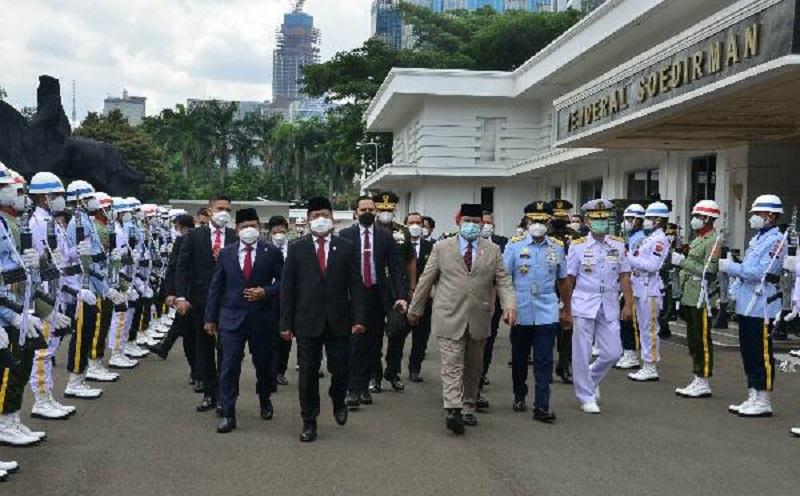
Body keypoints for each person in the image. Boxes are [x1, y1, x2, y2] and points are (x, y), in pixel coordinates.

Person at [408, 203, 516, 434]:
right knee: (451, 363)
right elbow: (426, 280)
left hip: (479, 315)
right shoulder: (442, 248)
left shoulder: (493, 250)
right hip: (449, 314)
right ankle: (453, 408)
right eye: (468, 220)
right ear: (458, 221)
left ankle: (468, 405)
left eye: (477, 222)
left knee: (473, 366)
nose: (472, 225)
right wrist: (415, 308)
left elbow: (503, 281)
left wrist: (509, 306)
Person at [279, 196, 365, 443]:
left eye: (324, 215)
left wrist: (359, 317)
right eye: (315, 215)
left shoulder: (346, 246)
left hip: (339, 320)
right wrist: (285, 323)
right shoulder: (297, 248)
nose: (320, 220)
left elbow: (356, 285)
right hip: (307, 321)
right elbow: (287, 288)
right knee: (307, 373)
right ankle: (309, 420)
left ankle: (338, 399)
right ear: (307, 219)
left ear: (333, 218)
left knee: (340, 369)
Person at [204, 208, 283, 433]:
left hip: (262, 318)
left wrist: (265, 292)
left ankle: (264, 398)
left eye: (253, 226)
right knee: (229, 366)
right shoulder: (227, 253)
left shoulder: (271, 252)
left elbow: (284, 282)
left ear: (260, 227)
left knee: (264, 365)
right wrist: (210, 317)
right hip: (231, 318)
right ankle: (228, 412)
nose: (249, 230)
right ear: (236, 229)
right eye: (244, 226)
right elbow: (216, 287)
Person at [564, 199, 634, 414]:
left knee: (613, 352)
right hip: (584, 302)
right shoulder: (577, 247)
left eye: (604, 219)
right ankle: (585, 396)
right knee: (582, 352)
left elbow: (624, 276)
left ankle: (590, 378)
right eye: (596, 219)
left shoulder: (618, 244)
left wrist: (629, 303)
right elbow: (569, 279)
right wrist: (565, 308)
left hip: (609, 303)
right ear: (587, 220)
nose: (601, 223)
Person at [721, 194, 787, 417]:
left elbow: (760, 272)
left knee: (761, 353)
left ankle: (764, 398)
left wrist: (730, 267)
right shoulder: (757, 239)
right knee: (749, 351)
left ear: (770, 215)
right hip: (747, 302)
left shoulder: (777, 240)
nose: (754, 218)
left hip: (762, 305)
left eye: (758, 214)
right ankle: (753, 393)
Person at [339, 195, 406, 407]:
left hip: (377, 295)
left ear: (375, 211)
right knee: (354, 342)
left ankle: (367, 384)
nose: (367, 213)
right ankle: (352, 389)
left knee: (373, 343)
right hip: (352, 295)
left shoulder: (385, 237)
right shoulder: (345, 235)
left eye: (370, 209)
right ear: (356, 213)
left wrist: (401, 296)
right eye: (363, 210)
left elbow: (396, 268)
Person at [504, 201, 568, 423]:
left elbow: (562, 279)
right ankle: (519, 393)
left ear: (549, 222)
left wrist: (566, 309)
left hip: (547, 308)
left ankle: (542, 405)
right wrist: (507, 306)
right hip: (520, 308)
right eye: (534, 220)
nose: (538, 225)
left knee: (544, 360)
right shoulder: (514, 245)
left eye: (542, 221)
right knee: (520, 358)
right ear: (527, 221)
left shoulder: (557, 247)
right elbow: (504, 279)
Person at [175, 194, 237, 413]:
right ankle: (210, 393)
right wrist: (180, 296)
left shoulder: (234, 236)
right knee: (205, 349)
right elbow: (182, 267)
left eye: (228, 209)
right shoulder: (194, 236)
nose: (224, 213)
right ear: (209, 210)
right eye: (220, 208)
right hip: (200, 301)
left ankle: (225, 396)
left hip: (228, 302)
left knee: (227, 350)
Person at [27, 172, 78, 419]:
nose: (59, 199)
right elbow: (38, 259)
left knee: (51, 345)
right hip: (45, 291)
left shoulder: (51, 222)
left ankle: (47, 394)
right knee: (43, 350)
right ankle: (41, 398)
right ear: (44, 196)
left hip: (56, 288)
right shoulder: (37, 223)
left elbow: (61, 255)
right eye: (56, 195)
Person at [672, 200, 721, 398]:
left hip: (702, 296)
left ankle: (703, 379)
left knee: (701, 339)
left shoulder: (713, 241)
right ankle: (697, 377)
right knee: (693, 338)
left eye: (698, 217)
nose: (694, 220)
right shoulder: (699, 238)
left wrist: (682, 262)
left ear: (708, 219)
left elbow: (709, 271)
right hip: (690, 294)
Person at [372, 191, 415, 393]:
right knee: (373, 334)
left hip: (397, 290)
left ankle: (393, 370)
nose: (385, 213)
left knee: (398, 330)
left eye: (389, 210)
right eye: (382, 209)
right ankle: (375, 375)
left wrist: (412, 287)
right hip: (374, 289)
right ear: (375, 209)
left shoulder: (402, 232)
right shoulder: (368, 230)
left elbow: (410, 261)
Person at [627, 202, 671, 382]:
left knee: (650, 328)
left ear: (658, 220)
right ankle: (647, 363)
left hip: (649, 286)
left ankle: (651, 365)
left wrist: (628, 257)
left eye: (648, 218)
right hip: (639, 284)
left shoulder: (659, 239)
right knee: (644, 327)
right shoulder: (650, 237)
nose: (645, 222)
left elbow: (653, 266)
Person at [143, 214, 195, 366]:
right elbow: (174, 267)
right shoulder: (182, 239)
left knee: (183, 323)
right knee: (181, 321)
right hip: (184, 290)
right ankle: (164, 347)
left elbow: (174, 266)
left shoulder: (185, 239)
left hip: (190, 289)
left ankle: (164, 347)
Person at [548, 199, 581, 384]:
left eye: (563, 215)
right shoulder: (544, 234)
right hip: (548, 286)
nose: (560, 218)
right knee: (548, 327)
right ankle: (545, 365)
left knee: (567, 328)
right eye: (556, 215)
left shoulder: (575, 236)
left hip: (569, 286)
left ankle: (564, 364)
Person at [479, 210, 507, 398]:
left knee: (488, 341)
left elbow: (505, 275)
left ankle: (481, 376)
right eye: (482, 222)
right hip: (471, 301)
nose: (485, 225)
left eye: (489, 222)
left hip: (493, 301)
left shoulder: (503, 243)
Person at [615, 204, 646, 370]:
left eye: (628, 219)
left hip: (636, 282)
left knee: (630, 320)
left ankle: (632, 353)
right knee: (624, 318)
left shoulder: (640, 238)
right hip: (628, 280)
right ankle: (627, 351)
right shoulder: (630, 236)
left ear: (637, 220)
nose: (625, 222)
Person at [406, 212, 434, 382]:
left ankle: (414, 368)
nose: (415, 226)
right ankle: (392, 371)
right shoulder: (397, 244)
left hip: (425, 297)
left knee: (421, 336)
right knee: (397, 336)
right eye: (411, 222)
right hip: (403, 296)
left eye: (419, 223)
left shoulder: (431, 247)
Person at [267, 215, 291, 387]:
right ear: (270, 233)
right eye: (275, 232)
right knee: (270, 337)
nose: (279, 235)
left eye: (282, 231)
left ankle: (280, 371)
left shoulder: (295, 248)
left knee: (285, 337)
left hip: (289, 299)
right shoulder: (265, 249)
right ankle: (270, 370)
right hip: (269, 297)